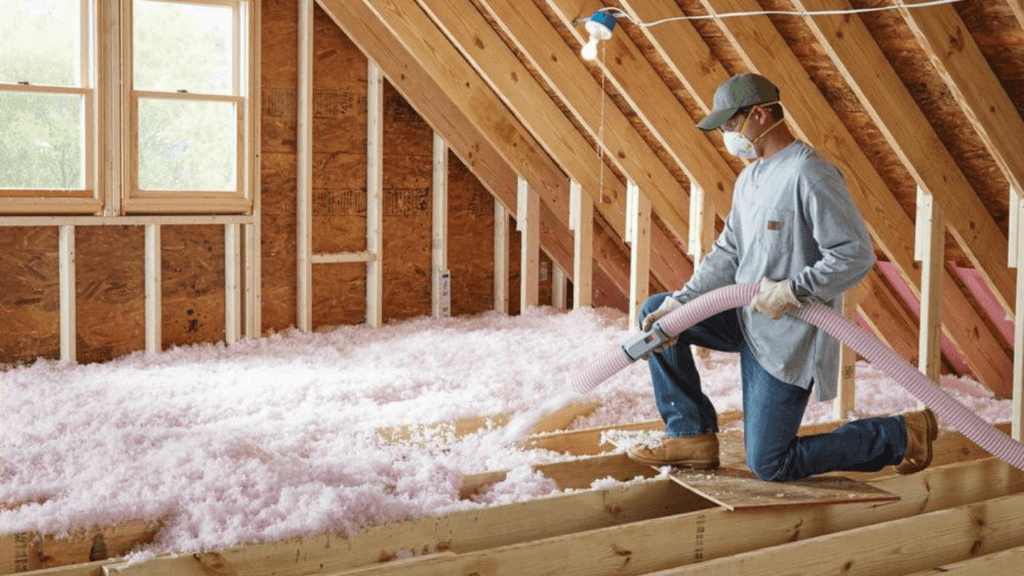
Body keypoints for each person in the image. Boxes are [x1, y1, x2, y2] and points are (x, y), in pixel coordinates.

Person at [627, 72, 937, 482]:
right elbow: (728, 253)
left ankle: (898, 435)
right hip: (745, 317)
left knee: (771, 464)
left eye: (731, 125)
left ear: (759, 115)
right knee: (657, 314)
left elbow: (854, 255)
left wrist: (793, 291)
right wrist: (680, 304)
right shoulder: (749, 178)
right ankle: (691, 435)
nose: (728, 137)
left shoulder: (809, 173)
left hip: (786, 335)